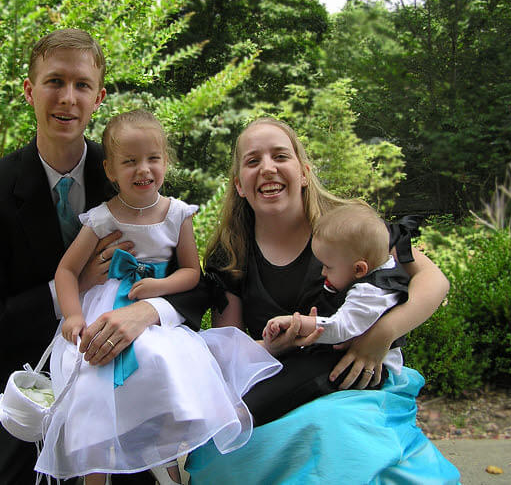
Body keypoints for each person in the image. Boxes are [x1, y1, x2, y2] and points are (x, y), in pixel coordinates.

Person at [0, 29, 201, 484]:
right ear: (30, 90)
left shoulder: (132, 168)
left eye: (82, 85)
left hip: (121, 373)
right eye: (54, 81)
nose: (68, 98)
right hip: (26, 375)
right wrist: (72, 287)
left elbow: (195, 281)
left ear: (98, 97)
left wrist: (148, 310)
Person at [184, 118, 461, 483]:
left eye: (280, 156)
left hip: (356, 380)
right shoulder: (229, 251)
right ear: (239, 185)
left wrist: (380, 335)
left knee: (328, 434)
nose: (267, 168)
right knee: (224, 446)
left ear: (303, 172)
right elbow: (230, 349)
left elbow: (434, 280)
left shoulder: (350, 225)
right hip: (278, 382)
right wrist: (269, 346)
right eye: (252, 161)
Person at [33, 110, 281, 485]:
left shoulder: (176, 214)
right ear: (111, 171)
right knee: (91, 380)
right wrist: (71, 316)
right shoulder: (102, 218)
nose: (143, 169)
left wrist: (158, 288)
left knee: (164, 363)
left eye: (152, 159)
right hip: (104, 306)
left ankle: (166, 461)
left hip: (155, 310)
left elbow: (191, 273)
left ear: (166, 162)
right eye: (129, 162)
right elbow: (66, 271)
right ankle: (94, 473)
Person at [261, 202, 412, 405]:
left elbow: (342, 328)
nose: (323, 272)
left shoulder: (371, 291)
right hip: (342, 356)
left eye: (328, 267)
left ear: (359, 269)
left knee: (286, 389)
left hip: (365, 370)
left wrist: (298, 323)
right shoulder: (376, 268)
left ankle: (250, 413)